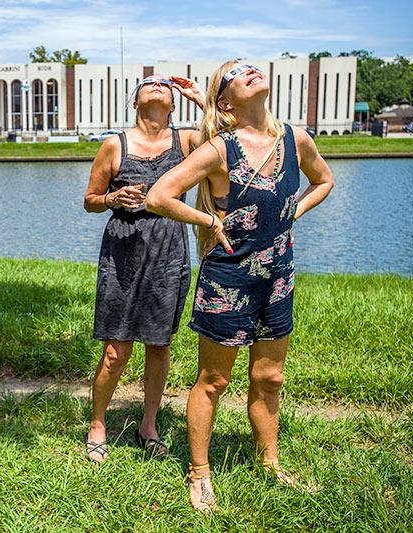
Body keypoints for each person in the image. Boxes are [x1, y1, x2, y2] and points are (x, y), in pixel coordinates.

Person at [146, 61, 334, 511]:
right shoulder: (219, 150)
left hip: (279, 276)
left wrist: (295, 213)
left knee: (269, 377)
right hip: (228, 277)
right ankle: (199, 474)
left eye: (253, 66)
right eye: (237, 72)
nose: (251, 71)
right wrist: (209, 218)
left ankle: (268, 464)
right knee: (213, 380)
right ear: (226, 101)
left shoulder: (296, 139)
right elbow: (158, 196)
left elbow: (324, 181)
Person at [82, 74, 205, 463]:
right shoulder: (113, 144)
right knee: (117, 350)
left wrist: (202, 100)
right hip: (123, 251)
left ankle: (147, 425)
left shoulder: (186, 141)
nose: (156, 85)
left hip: (169, 250)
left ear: (173, 103)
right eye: (147, 83)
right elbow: (89, 200)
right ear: (135, 102)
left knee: (158, 344)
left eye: (164, 86)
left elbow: (230, 137)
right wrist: (112, 197)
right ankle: (98, 423)